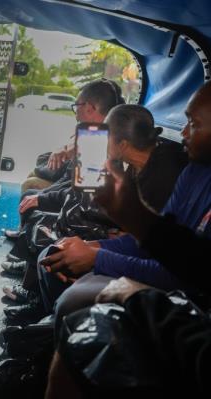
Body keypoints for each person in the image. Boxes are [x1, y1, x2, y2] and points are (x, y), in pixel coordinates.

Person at [46, 81, 211, 397]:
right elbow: (168, 243)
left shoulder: (167, 171)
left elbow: (191, 275)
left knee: (75, 310)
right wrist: (98, 246)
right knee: (60, 260)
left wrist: (100, 256)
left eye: (194, 123)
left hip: (192, 304)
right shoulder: (194, 173)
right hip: (174, 282)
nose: (185, 133)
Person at [37, 104, 189, 316]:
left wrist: (96, 255)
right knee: (55, 252)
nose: (100, 139)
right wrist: (93, 246)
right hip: (124, 243)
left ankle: (50, 324)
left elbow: (155, 246)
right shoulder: (136, 165)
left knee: (58, 263)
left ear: (123, 144)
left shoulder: (163, 178)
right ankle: (46, 318)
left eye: (105, 135)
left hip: (150, 268)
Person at [3, 79, 126, 317]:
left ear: (90, 107)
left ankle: (38, 303)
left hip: (97, 224)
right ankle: (35, 291)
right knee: (39, 217)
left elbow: (85, 200)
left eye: (77, 105)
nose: (75, 111)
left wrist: (45, 203)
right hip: (95, 218)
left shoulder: (97, 141)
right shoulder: (96, 137)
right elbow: (80, 193)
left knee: (41, 225)